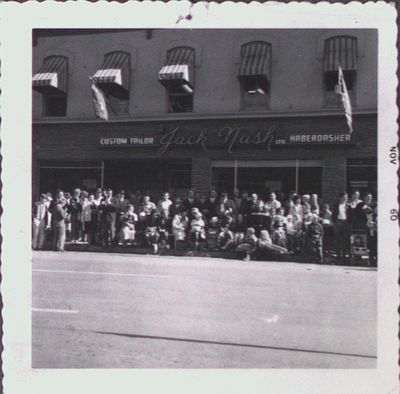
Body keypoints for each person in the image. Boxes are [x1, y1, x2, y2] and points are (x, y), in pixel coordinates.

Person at [332, 192, 351, 263]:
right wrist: (334, 222)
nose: (345, 198)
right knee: (337, 239)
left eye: (346, 197)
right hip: (338, 222)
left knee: (345, 239)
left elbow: (350, 214)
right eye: (344, 197)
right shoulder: (336, 205)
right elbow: (333, 213)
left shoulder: (348, 205)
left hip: (345, 222)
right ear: (340, 198)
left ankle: (344, 254)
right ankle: (338, 254)